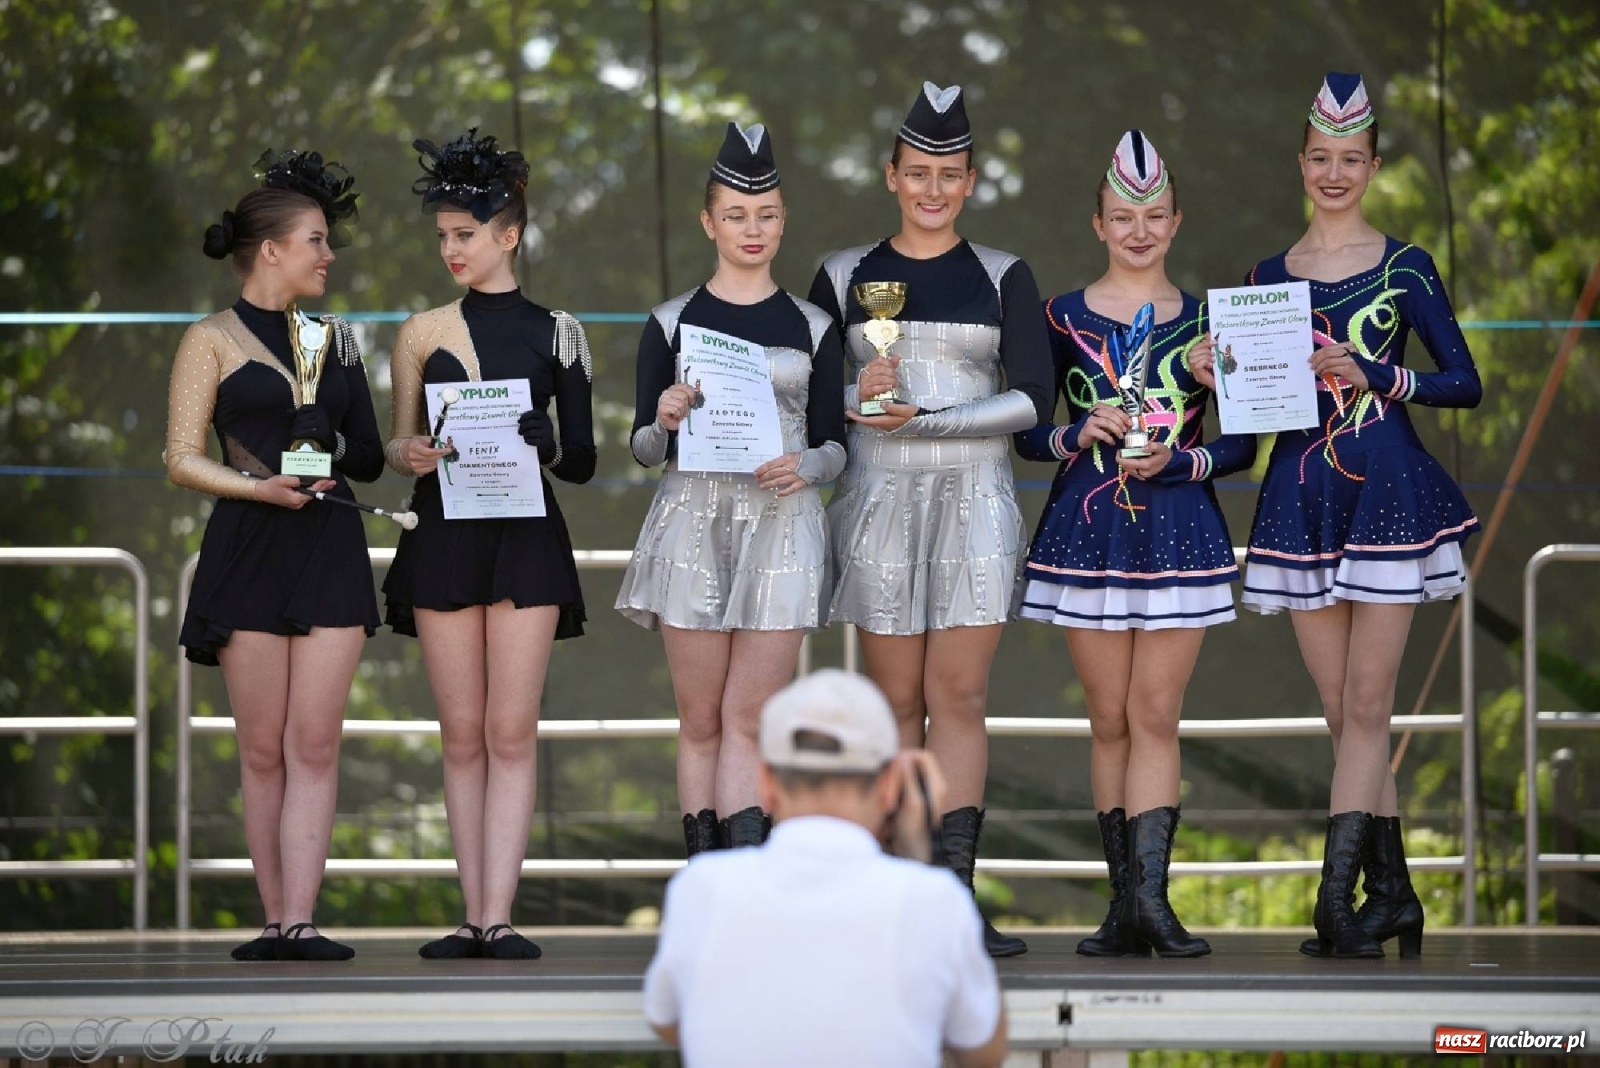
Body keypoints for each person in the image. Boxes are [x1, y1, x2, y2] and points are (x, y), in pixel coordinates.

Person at [1211, 73, 1481, 959]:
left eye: (1351, 160)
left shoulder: (1407, 266)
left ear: (1372, 165)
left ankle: (1336, 904)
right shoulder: (1259, 281)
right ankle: (1394, 891)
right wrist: (1222, 384)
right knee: (1341, 710)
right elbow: (1256, 424)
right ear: (1301, 164)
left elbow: (1463, 381)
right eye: (1321, 159)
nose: (1335, 173)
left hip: (1389, 493)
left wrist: (1378, 374)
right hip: (1301, 492)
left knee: (1368, 702)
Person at [808, 81, 1053, 957]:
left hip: (977, 501)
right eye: (919, 173)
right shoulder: (841, 276)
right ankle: (892, 888)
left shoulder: (1004, 274)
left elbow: (1033, 402)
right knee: (892, 701)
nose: (934, 189)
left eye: (950, 174)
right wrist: (852, 395)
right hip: (877, 500)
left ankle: (953, 894)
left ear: (972, 180)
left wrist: (934, 422)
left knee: (959, 695)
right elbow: (804, 404)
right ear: (892, 176)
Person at [1016, 131, 1256, 958]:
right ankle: (1122, 907)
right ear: (1098, 222)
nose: (1140, 229)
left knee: (1157, 712)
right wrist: (1078, 431)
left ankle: (1155, 901)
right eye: (1124, 216)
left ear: (1177, 220)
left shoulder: (1211, 321)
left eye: (1154, 215)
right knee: (1108, 716)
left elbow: (1244, 447)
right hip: (1087, 527)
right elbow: (1027, 436)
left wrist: (1186, 452)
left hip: (1181, 527)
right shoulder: (1058, 316)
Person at [383, 129, 595, 960]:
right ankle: (468, 913)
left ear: (508, 234)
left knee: (511, 730)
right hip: (442, 533)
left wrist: (545, 438)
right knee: (461, 730)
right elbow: (397, 445)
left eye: (464, 234)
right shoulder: (418, 332)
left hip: (527, 538)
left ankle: (498, 915)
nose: (450, 249)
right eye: (441, 236)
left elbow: (582, 461)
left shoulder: (560, 332)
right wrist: (413, 454)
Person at [167, 149, 379, 961]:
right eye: (317, 240)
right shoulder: (208, 340)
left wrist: (329, 439)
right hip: (249, 544)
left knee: (314, 742)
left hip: (328, 547)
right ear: (271, 251)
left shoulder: (339, 340)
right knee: (261, 748)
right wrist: (258, 489)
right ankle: (272, 921)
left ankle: (303, 919)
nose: (328, 256)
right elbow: (180, 458)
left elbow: (366, 456)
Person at [616, 123, 846, 855]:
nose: (754, 228)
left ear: (784, 221)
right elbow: (643, 449)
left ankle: (746, 883)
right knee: (702, 718)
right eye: (738, 215)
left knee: (751, 715)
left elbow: (838, 444)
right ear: (709, 221)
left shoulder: (813, 324)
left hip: (782, 519)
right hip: (692, 522)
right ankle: (704, 887)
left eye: (768, 215)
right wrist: (663, 417)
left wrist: (806, 466)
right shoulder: (671, 320)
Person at [642, 670, 1007, 1068]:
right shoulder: (934, 899)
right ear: (889, 787)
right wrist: (929, 851)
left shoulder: (702, 887)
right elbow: (984, 1051)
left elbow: (666, 1019)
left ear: (765, 782)